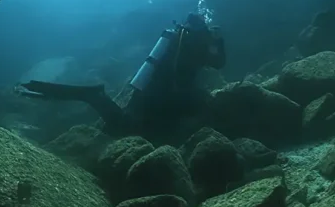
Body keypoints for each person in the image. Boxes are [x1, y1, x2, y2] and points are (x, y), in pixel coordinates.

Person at [17, 13, 226, 139]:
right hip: (159, 97)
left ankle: (92, 96)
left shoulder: (177, 40)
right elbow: (218, 63)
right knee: (126, 131)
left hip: (148, 91)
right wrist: (219, 42)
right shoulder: (197, 45)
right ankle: (93, 95)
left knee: (126, 126)